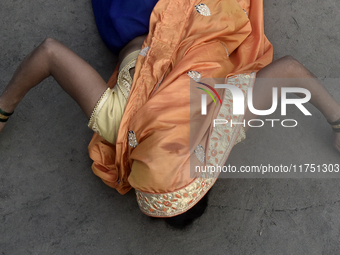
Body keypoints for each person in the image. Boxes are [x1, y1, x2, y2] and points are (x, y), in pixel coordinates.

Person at [0, 0, 339, 228]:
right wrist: (3, 111)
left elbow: (291, 70)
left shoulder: (219, 121)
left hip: (146, 15)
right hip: (152, 17)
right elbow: (48, 53)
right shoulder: (125, 123)